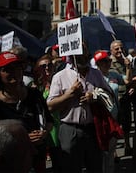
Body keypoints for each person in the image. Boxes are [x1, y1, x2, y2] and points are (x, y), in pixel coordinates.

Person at [47, 43, 114, 173]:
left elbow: (109, 96)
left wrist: (94, 96)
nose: (81, 56)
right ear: (71, 55)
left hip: (92, 129)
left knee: (95, 166)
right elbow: (50, 106)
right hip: (69, 129)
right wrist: (69, 95)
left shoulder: (96, 74)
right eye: (78, 52)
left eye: (84, 51)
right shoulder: (60, 77)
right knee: (70, 167)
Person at [0, 51, 54, 173]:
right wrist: (23, 138)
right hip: (10, 161)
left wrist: (44, 133)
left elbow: (49, 121)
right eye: (7, 69)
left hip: (37, 158)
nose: (14, 73)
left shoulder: (35, 95)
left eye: (17, 68)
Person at [93, 50, 128, 172]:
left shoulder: (114, 75)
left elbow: (127, 80)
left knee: (111, 149)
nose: (107, 64)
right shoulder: (93, 76)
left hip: (114, 116)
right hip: (100, 118)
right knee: (102, 150)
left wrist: (128, 67)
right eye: (103, 62)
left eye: (108, 61)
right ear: (97, 64)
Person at [32, 55, 62, 173]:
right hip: (42, 131)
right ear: (37, 69)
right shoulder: (34, 88)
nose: (47, 68)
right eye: (43, 66)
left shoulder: (59, 82)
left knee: (60, 163)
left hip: (58, 127)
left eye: (50, 65)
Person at [109, 40, 132, 155]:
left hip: (125, 96)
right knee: (114, 124)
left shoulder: (126, 61)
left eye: (121, 48)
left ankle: (127, 145)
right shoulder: (109, 63)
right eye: (116, 49)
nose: (120, 51)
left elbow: (129, 79)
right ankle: (114, 152)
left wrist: (128, 67)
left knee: (126, 123)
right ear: (111, 50)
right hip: (114, 98)